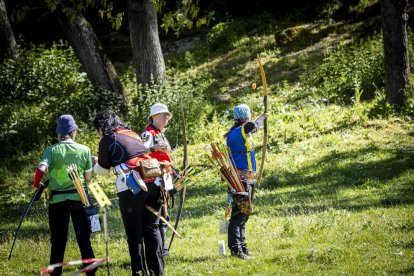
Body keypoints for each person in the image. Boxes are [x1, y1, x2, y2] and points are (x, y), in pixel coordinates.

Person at [92, 110, 166, 276]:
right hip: (154, 181)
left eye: (97, 129)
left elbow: (103, 171)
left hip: (132, 186)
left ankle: (139, 273)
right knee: (152, 228)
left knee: (134, 232)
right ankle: (157, 272)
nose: (97, 133)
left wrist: (96, 162)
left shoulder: (107, 139)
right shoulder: (132, 133)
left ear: (101, 127)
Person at [33, 114, 97, 276]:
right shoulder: (85, 150)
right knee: (83, 238)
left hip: (57, 200)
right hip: (79, 198)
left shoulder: (52, 150)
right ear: (74, 131)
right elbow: (88, 179)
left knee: (58, 240)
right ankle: (91, 272)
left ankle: (55, 273)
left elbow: (41, 168)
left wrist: (36, 185)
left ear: (58, 133)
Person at [225, 104, 269, 260]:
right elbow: (252, 125)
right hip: (240, 180)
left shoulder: (242, 132)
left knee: (244, 214)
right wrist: (262, 118)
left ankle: (242, 247)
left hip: (246, 179)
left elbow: (253, 127)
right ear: (246, 117)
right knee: (238, 215)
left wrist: (261, 118)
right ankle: (236, 250)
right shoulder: (238, 132)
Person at [141, 103, 179, 257]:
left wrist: (174, 172)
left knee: (165, 211)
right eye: (163, 114)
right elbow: (141, 152)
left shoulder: (160, 133)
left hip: (165, 175)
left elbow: (166, 156)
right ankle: (160, 249)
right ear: (154, 117)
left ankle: (162, 249)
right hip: (155, 178)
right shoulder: (148, 133)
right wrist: (154, 148)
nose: (166, 117)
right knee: (159, 213)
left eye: (167, 115)